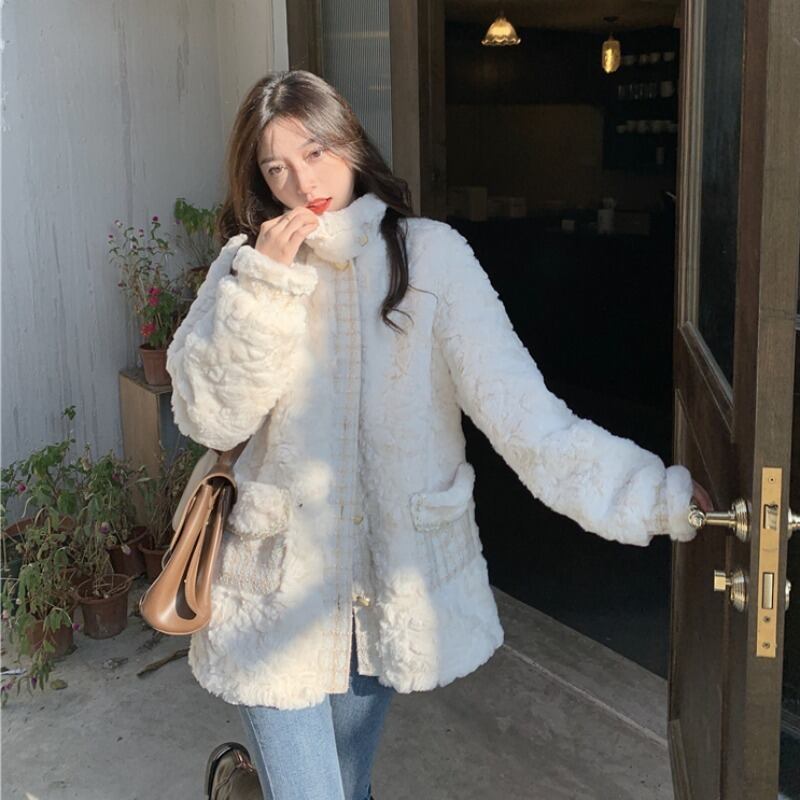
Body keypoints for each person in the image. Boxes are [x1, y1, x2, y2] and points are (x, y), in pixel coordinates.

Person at [166, 70, 713, 800]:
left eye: (315, 152)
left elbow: (526, 417)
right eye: (277, 168)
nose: (303, 182)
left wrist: (653, 496)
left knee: (348, 786)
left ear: (350, 142)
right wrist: (267, 286)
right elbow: (210, 421)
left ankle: (242, 787)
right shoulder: (247, 265)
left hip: (381, 595)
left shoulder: (431, 258)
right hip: (268, 592)